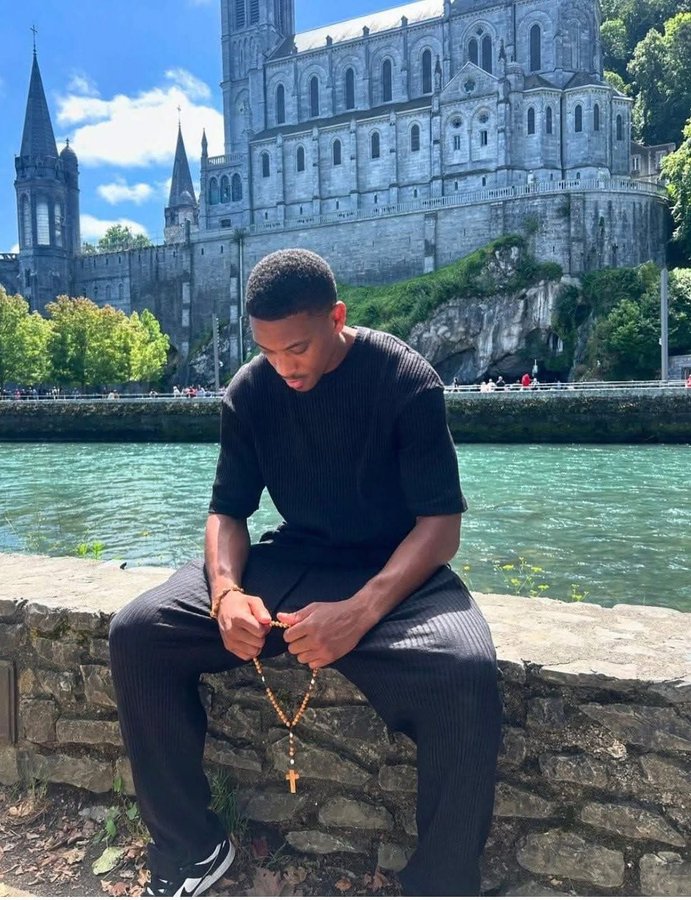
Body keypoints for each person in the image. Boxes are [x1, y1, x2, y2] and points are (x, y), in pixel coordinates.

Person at [109, 249, 501, 898]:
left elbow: (440, 529)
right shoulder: (251, 389)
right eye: (267, 351)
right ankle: (190, 849)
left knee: (463, 673)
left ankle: (440, 885)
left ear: (337, 317)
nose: (282, 367)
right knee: (139, 631)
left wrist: (360, 611)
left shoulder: (406, 379)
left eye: (296, 348)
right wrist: (228, 593)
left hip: (394, 570)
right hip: (291, 558)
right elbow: (226, 513)